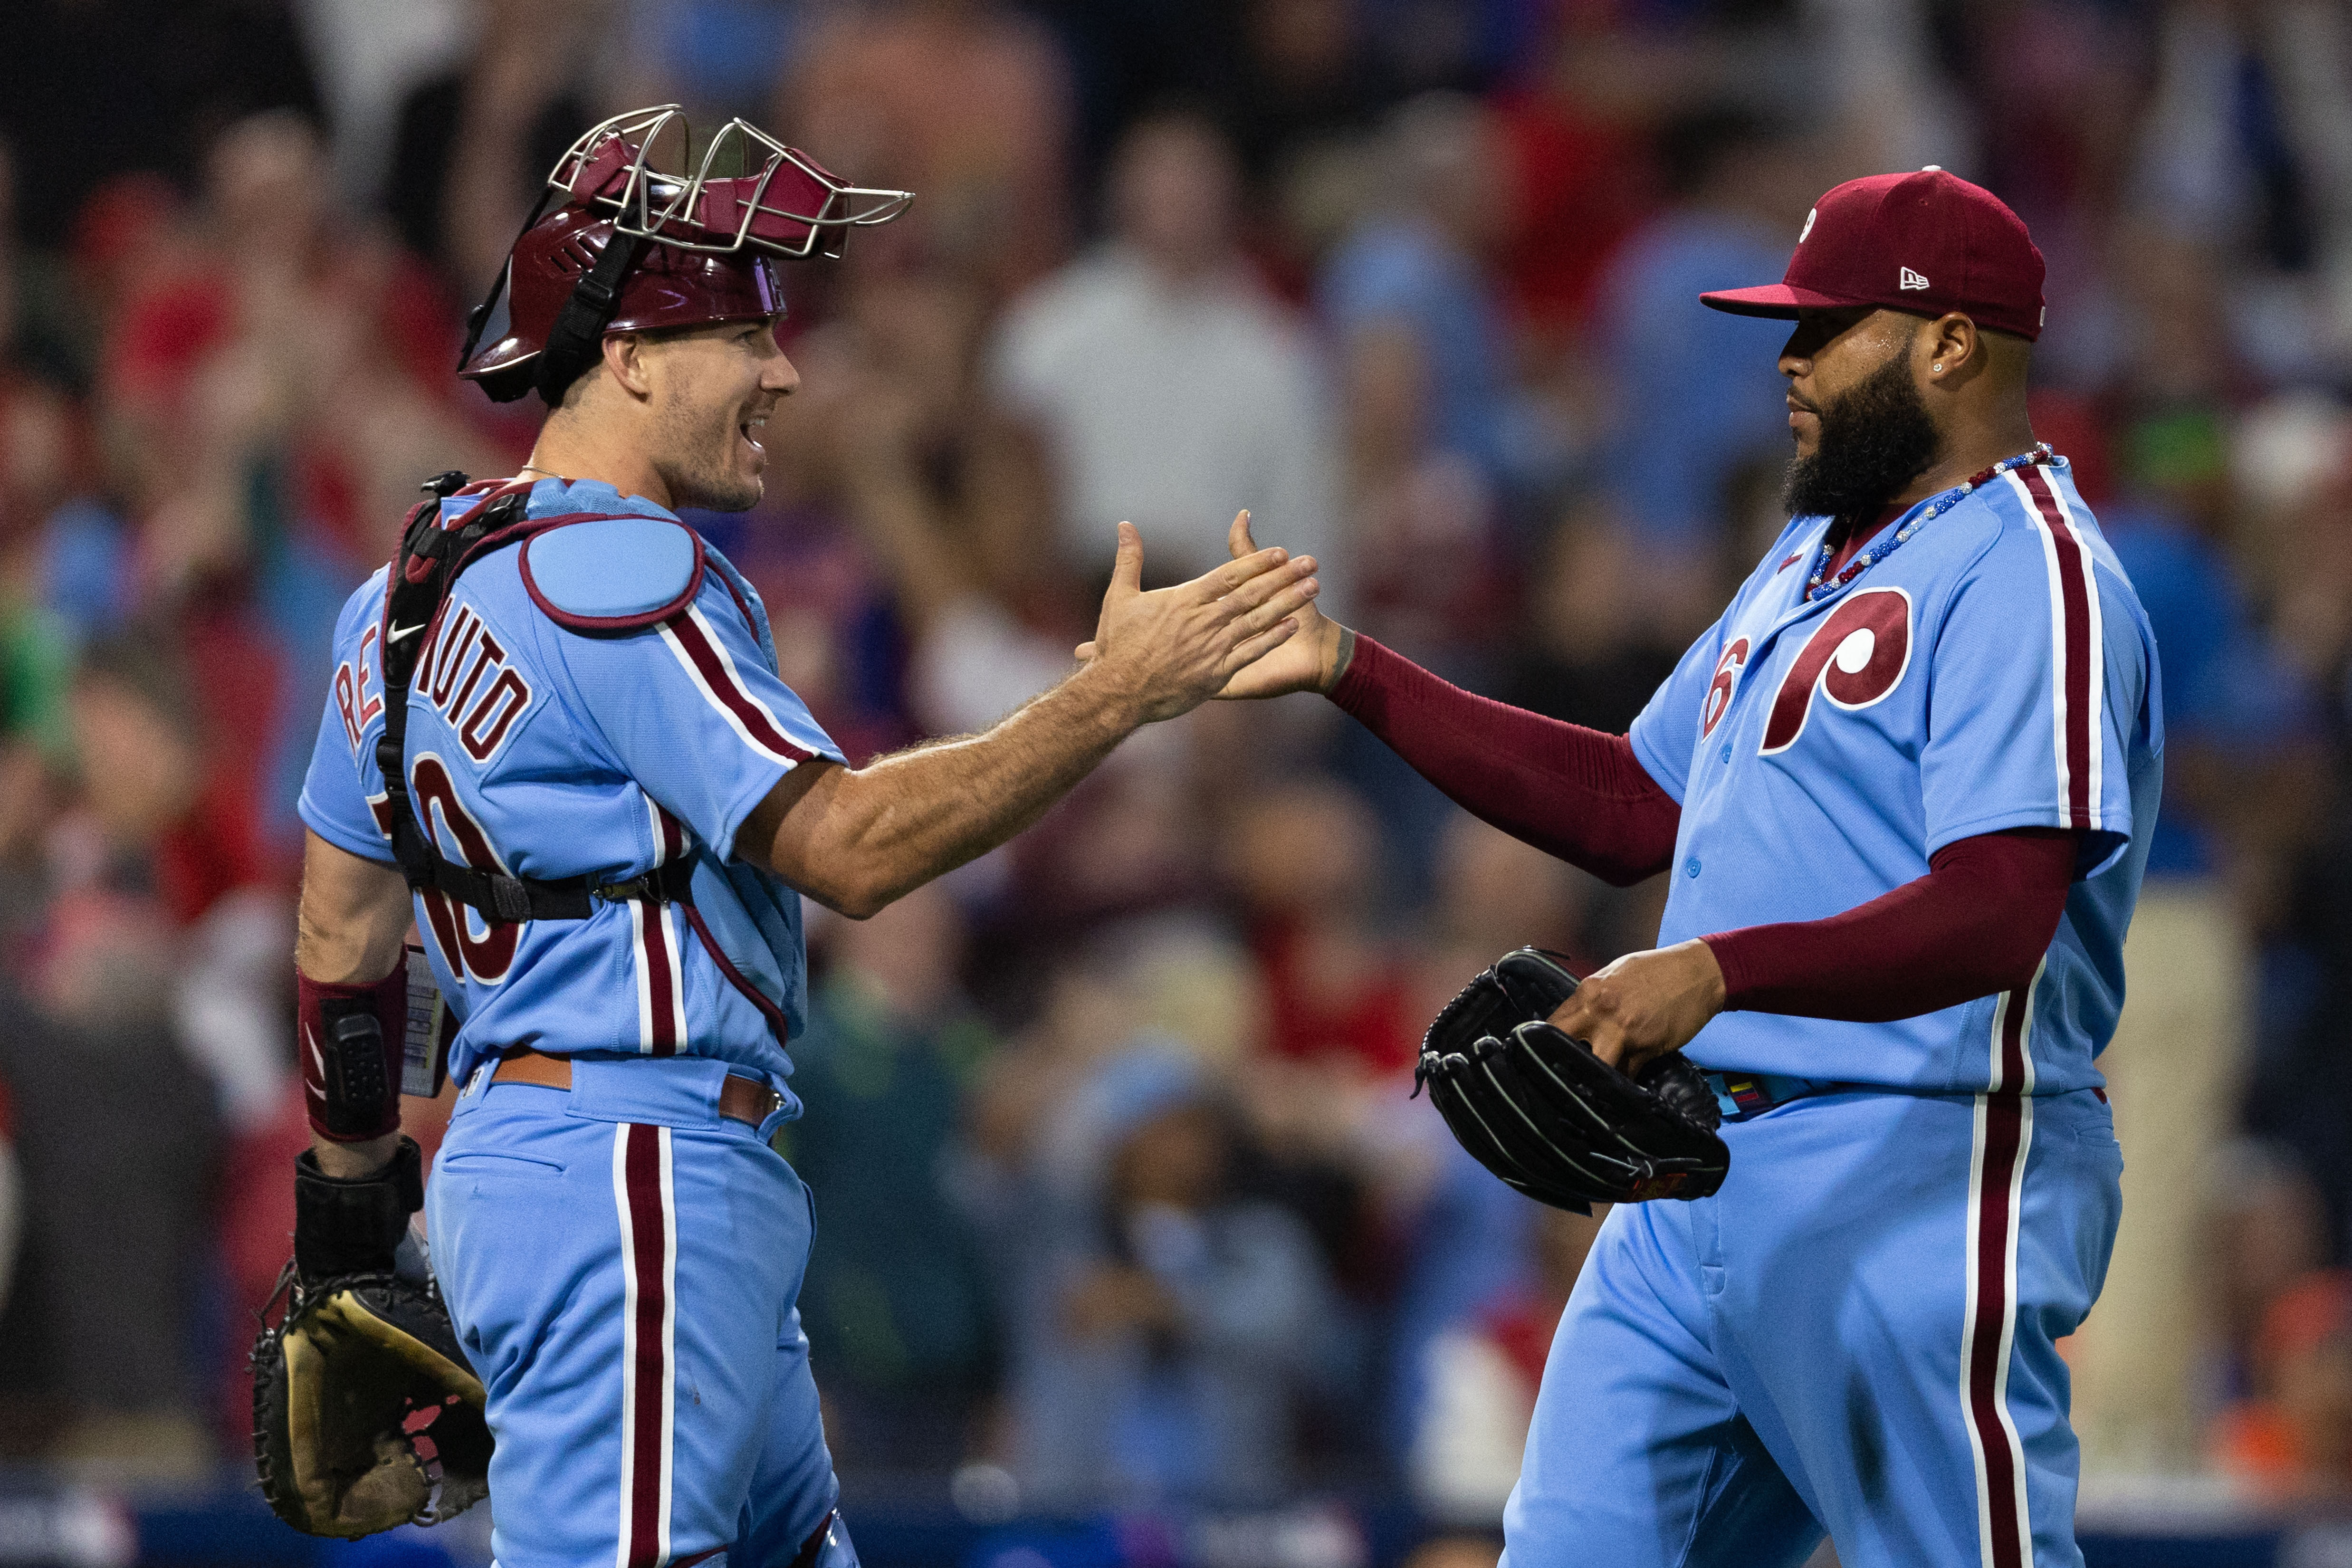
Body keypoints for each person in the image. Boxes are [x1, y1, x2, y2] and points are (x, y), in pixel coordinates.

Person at [288, 109, 1318, 1568]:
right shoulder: (626, 571)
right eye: (741, 335)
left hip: (569, 1159)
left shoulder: (400, 593)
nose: (784, 369)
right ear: (629, 358)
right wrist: (1116, 696)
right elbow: (847, 847)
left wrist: (346, 1219)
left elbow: (343, 931)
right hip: (634, 1169)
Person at [1201, 169, 2161, 1567]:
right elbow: (1632, 798)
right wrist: (1350, 668)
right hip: (1693, 1173)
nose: (1786, 360)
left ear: (1952, 343)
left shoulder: (2038, 573)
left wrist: (1714, 970)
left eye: (1828, 327)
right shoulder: (1810, 557)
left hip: (1918, 1165)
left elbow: (2000, 910)